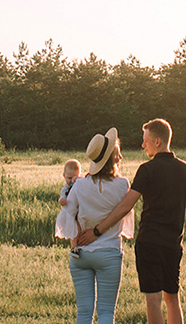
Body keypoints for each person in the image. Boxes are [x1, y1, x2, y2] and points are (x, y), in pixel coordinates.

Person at [78, 118, 186, 324]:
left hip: (149, 243)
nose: (142, 144)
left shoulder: (147, 170)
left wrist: (97, 231)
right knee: (173, 297)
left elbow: (125, 207)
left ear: (157, 142)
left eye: (145, 140)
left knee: (153, 299)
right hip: (174, 244)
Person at [56, 127, 134, 324]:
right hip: (109, 253)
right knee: (107, 313)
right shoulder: (123, 184)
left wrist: (76, 239)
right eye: (118, 153)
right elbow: (125, 215)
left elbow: (67, 215)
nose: (121, 157)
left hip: (81, 253)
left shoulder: (80, 184)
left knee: (83, 313)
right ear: (112, 159)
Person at [56, 159, 84, 256]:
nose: (72, 180)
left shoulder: (81, 183)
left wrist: (79, 180)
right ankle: (74, 248)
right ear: (64, 176)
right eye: (69, 178)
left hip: (81, 211)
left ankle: (83, 245)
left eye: (75, 177)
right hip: (71, 213)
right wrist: (62, 200)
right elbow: (62, 196)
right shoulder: (66, 188)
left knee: (82, 229)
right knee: (74, 230)